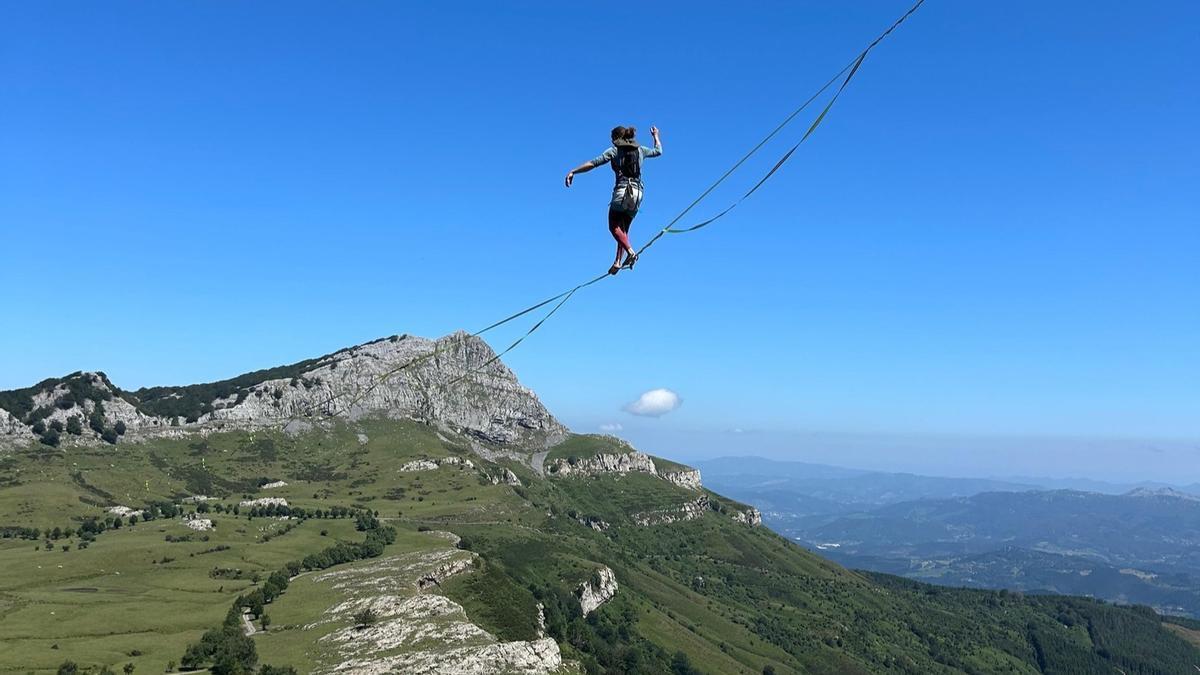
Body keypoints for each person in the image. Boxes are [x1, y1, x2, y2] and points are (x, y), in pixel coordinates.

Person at [565, 125, 663, 274]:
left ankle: (630, 252)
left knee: (614, 227)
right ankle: (617, 262)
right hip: (637, 193)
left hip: (622, 191)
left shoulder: (614, 151)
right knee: (623, 231)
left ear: (616, 139)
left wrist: (574, 171)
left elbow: (593, 163)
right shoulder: (640, 150)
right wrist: (656, 136)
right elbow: (658, 151)